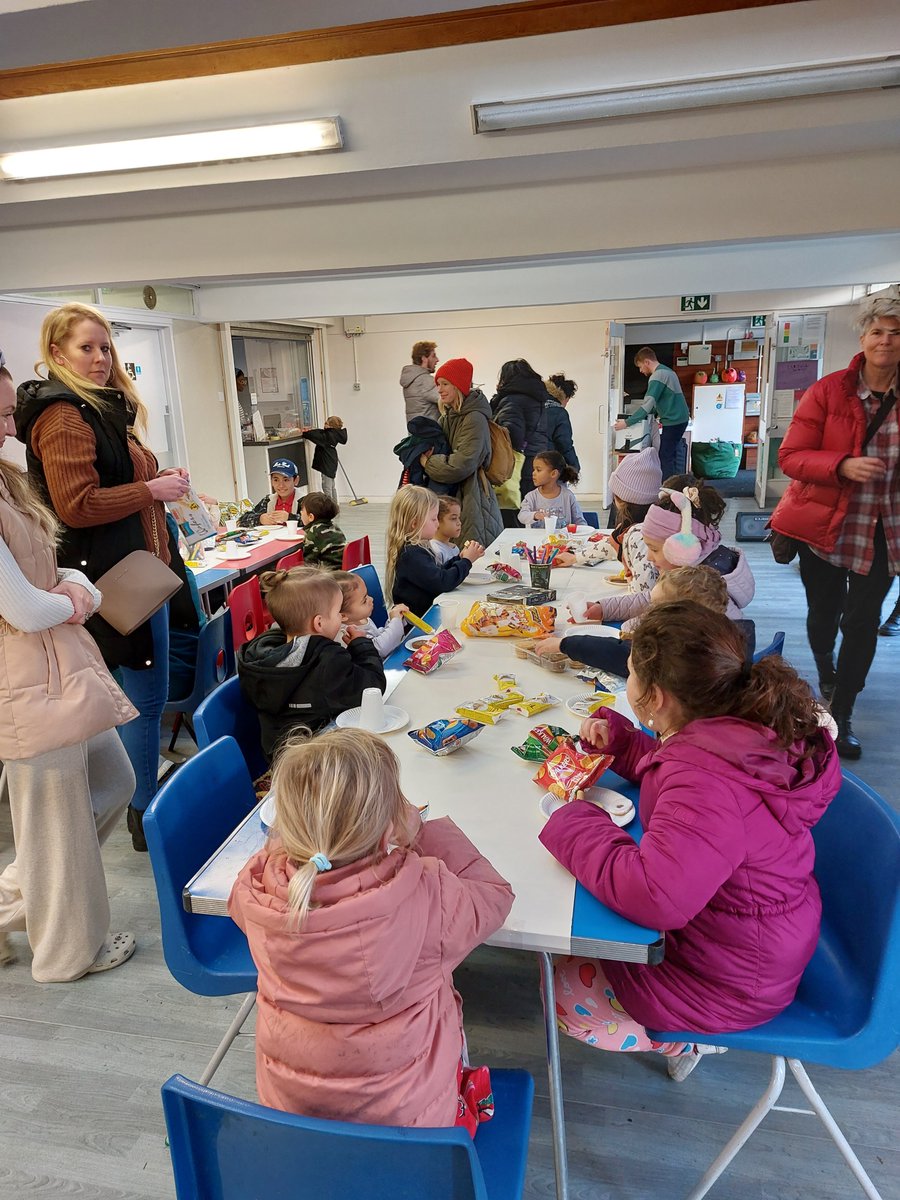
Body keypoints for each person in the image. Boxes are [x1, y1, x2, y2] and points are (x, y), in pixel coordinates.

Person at [539, 602, 840, 1081]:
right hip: (756, 939)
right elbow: (678, 773)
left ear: (654, 697)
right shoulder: (731, 726)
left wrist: (576, 821)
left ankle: (688, 1038)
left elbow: (654, 895)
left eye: (630, 671)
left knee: (564, 986)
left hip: (734, 980)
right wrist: (622, 743)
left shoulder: (705, 779)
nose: (627, 680)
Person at [228, 727, 513, 1129]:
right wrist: (425, 832)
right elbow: (495, 895)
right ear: (387, 832)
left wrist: (303, 837)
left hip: (295, 1133)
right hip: (412, 1136)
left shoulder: (255, 893)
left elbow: (287, 860)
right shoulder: (426, 896)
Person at [15, 302, 192, 852]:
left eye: (104, 347)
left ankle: (147, 804)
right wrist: (151, 491)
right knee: (139, 697)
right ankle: (146, 816)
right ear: (55, 353)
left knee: (151, 693)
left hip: (140, 575)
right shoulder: (65, 414)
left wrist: (154, 482)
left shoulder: (100, 409)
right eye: (85, 348)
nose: (98, 358)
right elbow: (75, 505)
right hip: (115, 584)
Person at [0, 365, 138, 981]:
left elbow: (47, 572)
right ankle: (68, 953)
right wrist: (76, 598)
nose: (14, 427)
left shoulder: (7, 481)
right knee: (54, 824)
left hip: (55, 672)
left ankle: (12, 910)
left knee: (111, 782)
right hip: (26, 681)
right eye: (4, 416)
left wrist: (74, 584)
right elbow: (25, 608)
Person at [770, 290, 900, 759]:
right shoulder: (828, 391)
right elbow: (791, 457)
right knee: (824, 619)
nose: (886, 341)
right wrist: (842, 465)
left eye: (896, 332)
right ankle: (825, 667)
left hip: (885, 532)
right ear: (863, 338)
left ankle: (841, 710)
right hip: (825, 528)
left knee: (862, 623)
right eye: (877, 332)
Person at [236, 568, 386, 761]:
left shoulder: (259, 653)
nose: (341, 617)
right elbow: (372, 688)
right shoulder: (325, 659)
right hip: (317, 761)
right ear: (319, 623)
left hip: (280, 759)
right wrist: (361, 645)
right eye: (337, 612)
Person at [582, 477, 755, 627]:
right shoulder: (692, 577)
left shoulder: (700, 594)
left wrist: (629, 630)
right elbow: (652, 599)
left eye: (655, 549)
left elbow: (661, 631)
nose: (649, 557)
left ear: (682, 548)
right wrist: (604, 608)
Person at [540, 564, 755, 677]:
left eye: (655, 608)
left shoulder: (689, 652)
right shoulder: (715, 629)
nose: (648, 611)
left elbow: (626, 658)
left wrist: (565, 644)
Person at [554, 448, 662, 611]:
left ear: (619, 498)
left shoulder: (639, 535)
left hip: (644, 615)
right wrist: (575, 557)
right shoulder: (641, 524)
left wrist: (607, 610)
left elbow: (643, 598)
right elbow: (611, 546)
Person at [420, 358, 502, 548]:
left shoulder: (474, 418)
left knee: (470, 553)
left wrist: (428, 463)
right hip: (457, 494)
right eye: (438, 384)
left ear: (459, 385)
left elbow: (462, 464)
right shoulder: (448, 416)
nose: (439, 389)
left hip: (472, 495)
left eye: (445, 384)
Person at [386, 485, 483, 617]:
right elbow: (443, 582)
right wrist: (466, 561)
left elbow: (437, 573)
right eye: (433, 519)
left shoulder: (417, 548)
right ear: (415, 524)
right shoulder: (412, 553)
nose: (437, 524)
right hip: (419, 621)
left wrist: (459, 559)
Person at [615, 349, 690, 483]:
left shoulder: (657, 376)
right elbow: (658, 402)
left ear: (647, 362)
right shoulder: (668, 371)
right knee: (670, 455)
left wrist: (626, 423)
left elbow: (648, 404)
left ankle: (666, 491)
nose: (640, 371)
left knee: (665, 457)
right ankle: (673, 487)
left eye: (640, 367)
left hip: (674, 421)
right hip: (679, 419)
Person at [489, 358, 551, 502]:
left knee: (515, 513)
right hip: (536, 462)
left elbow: (512, 434)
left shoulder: (512, 400)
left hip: (518, 467)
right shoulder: (536, 399)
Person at [333, 570, 409, 659]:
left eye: (367, 595)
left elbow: (376, 636)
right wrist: (395, 621)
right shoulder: (346, 633)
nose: (371, 599)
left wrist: (395, 620)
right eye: (364, 600)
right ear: (343, 616)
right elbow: (380, 649)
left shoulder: (362, 619)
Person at [518, 450, 585, 528]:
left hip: (564, 539)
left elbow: (579, 521)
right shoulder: (531, 496)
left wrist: (585, 534)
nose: (533, 473)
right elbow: (522, 516)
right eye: (534, 469)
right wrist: (535, 515)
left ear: (553, 473)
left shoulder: (568, 496)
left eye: (538, 470)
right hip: (538, 539)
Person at [238, 458, 303, 527]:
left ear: (296, 480)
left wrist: (289, 517)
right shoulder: (268, 500)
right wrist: (260, 519)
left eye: (286, 480)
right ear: (271, 481)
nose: (281, 485)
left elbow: (313, 522)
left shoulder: (305, 500)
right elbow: (241, 520)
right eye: (276, 480)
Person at [301, 415, 347, 502]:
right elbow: (320, 432)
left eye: (326, 423)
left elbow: (315, 435)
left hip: (327, 462)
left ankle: (329, 508)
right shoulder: (335, 434)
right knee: (332, 486)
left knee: (327, 487)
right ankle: (334, 505)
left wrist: (305, 432)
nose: (324, 425)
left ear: (331, 426)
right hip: (331, 460)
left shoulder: (328, 435)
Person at [299, 491, 346, 568]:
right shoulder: (335, 527)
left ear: (311, 517)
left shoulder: (313, 533)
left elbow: (309, 564)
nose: (301, 512)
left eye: (302, 510)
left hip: (328, 575)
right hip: (343, 571)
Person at [544, 372, 580, 471]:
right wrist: (575, 467)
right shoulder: (558, 412)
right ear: (565, 397)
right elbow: (564, 444)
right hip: (550, 466)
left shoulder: (534, 406)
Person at [400, 340, 441, 424]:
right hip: (430, 434)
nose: (437, 360)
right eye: (433, 356)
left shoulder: (411, 379)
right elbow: (450, 400)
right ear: (424, 358)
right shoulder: (424, 381)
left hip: (416, 433)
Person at [431, 494, 462, 565]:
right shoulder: (435, 551)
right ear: (437, 521)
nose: (459, 523)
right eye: (454, 518)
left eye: (459, 518)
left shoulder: (454, 548)